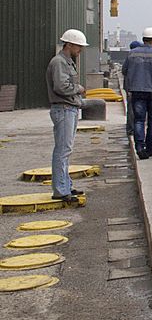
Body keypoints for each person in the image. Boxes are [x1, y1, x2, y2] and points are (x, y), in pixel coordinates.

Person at [47, 29, 89, 203]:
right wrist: (78, 89)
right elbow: (61, 87)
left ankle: (65, 185)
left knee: (66, 150)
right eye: (78, 47)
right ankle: (61, 190)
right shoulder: (59, 63)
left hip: (68, 108)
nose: (80, 50)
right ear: (69, 44)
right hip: (63, 109)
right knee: (63, 150)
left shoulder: (67, 61)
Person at [121, 27, 152, 160]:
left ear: (143, 39)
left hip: (137, 91)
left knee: (139, 120)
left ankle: (140, 148)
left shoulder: (132, 54)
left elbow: (124, 70)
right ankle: (150, 149)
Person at [124, 40, 142, 150]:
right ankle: (131, 130)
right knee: (133, 110)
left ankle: (131, 129)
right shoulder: (134, 59)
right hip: (133, 88)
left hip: (130, 88)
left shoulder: (130, 58)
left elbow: (124, 71)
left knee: (131, 109)